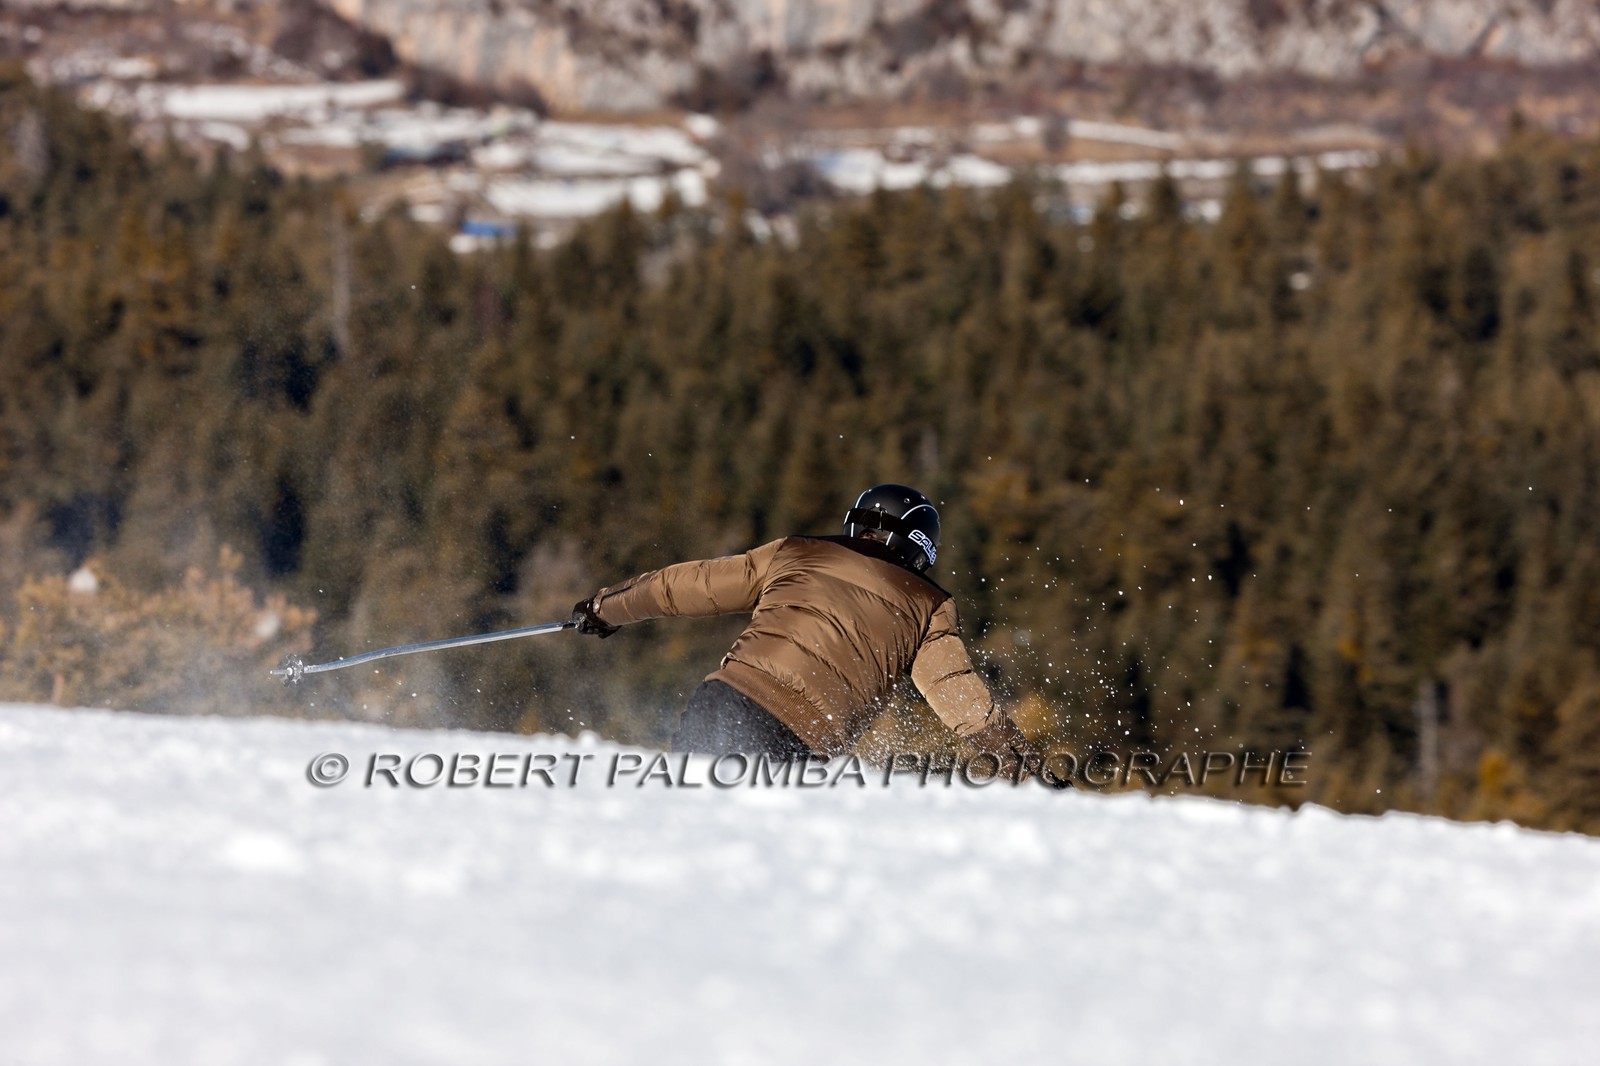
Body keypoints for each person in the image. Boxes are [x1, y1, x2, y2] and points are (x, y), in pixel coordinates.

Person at [571, 484, 1052, 780]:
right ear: (921, 547)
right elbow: (963, 703)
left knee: (683, 833)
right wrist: (1027, 771)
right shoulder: (928, 604)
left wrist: (603, 608)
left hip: (722, 700)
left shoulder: (795, 551)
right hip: (795, 739)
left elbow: (685, 586)